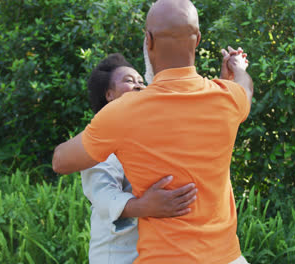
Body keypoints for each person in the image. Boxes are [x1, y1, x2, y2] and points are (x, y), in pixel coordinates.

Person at [52, 0, 254, 263]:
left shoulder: (122, 112)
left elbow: (60, 161)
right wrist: (237, 67)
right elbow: (245, 88)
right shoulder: (227, 98)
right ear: (198, 40)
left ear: (148, 41)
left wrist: (102, 129)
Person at [81, 53, 197, 264]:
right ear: (109, 94)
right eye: (128, 81)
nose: (138, 86)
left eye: (141, 82)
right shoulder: (98, 137)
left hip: (155, 251)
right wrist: (143, 206)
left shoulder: (150, 133)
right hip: (116, 254)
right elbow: (102, 195)